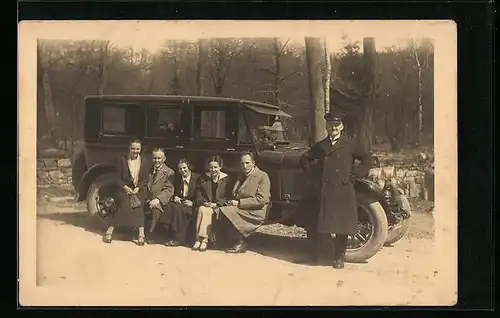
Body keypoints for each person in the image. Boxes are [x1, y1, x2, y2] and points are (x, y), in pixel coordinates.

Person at [298, 109, 374, 269]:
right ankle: (314, 256)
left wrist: (356, 174)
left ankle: (338, 259)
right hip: (323, 191)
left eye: (337, 124)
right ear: (326, 126)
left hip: (342, 190)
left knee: (342, 226)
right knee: (317, 224)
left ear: (342, 127)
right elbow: (304, 158)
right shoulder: (320, 146)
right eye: (331, 124)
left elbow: (368, 159)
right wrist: (312, 176)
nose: (333, 127)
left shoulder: (350, 144)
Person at [217, 151, 271, 254]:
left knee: (226, 212)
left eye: (247, 163)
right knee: (219, 210)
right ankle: (227, 240)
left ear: (254, 163)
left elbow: (261, 200)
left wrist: (239, 203)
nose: (244, 166)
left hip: (256, 210)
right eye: (242, 164)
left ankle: (241, 243)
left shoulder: (262, 176)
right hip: (242, 207)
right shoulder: (241, 176)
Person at [103, 138, 151, 246]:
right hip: (124, 189)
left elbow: (145, 179)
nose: (135, 151)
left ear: (140, 149)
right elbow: (117, 178)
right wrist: (125, 187)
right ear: (129, 149)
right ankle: (110, 229)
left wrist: (137, 188)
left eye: (137, 149)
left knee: (138, 203)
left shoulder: (145, 161)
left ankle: (141, 233)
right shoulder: (122, 160)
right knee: (124, 202)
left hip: (138, 189)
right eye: (133, 148)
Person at [157, 158, 200, 247]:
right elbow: (174, 192)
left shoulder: (197, 178)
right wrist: (175, 197)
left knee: (177, 209)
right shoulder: (178, 179)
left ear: (189, 167)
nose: (182, 170)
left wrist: (193, 203)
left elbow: (201, 194)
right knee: (170, 206)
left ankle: (179, 239)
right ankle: (166, 234)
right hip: (181, 203)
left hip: (192, 205)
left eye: (184, 168)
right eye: (180, 169)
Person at [192, 155, 231, 252]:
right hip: (205, 204)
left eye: (215, 167)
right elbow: (198, 194)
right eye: (211, 167)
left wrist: (217, 204)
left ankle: (202, 240)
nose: (213, 170)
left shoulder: (226, 179)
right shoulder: (204, 178)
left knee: (208, 211)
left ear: (220, 167)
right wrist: (204, 202)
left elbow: (228, 196)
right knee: (202, 209)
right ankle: (199, 239)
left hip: (218, 206)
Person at [143, 148, 176, 242]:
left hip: (160, 200)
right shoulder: (148, 170)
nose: (156, 161)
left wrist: (158, 199)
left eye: (159, 158)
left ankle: (151, 234)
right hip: (147, 198)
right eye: (154, 158)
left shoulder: (169, 172)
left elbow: (169, 190)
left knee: (156, 207)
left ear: (164, 158)